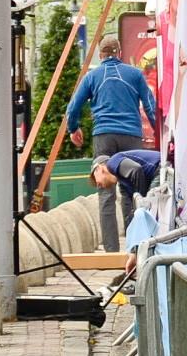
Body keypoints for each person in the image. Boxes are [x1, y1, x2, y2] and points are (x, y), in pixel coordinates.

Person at [66, 34, 161, 251]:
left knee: (106, 193)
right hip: (131, 136)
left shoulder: (92, 77)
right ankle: (134, 246)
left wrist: (74, 129)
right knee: (131, 190)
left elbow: (73, 108)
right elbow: (149, 106)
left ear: (101, 55)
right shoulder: (135, 74)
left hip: (104, 136)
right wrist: (159, 134)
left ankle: (111, 249)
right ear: (119, 53)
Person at [92, 147, 162, 213]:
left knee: (149, 212)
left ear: (99, 169)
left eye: (95, 179)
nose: (98, 185)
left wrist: (140, 199)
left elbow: (136, 170)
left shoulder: (112, 162)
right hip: (159, 170)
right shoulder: (123, 182)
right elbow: (128, 208)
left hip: (159, 168)